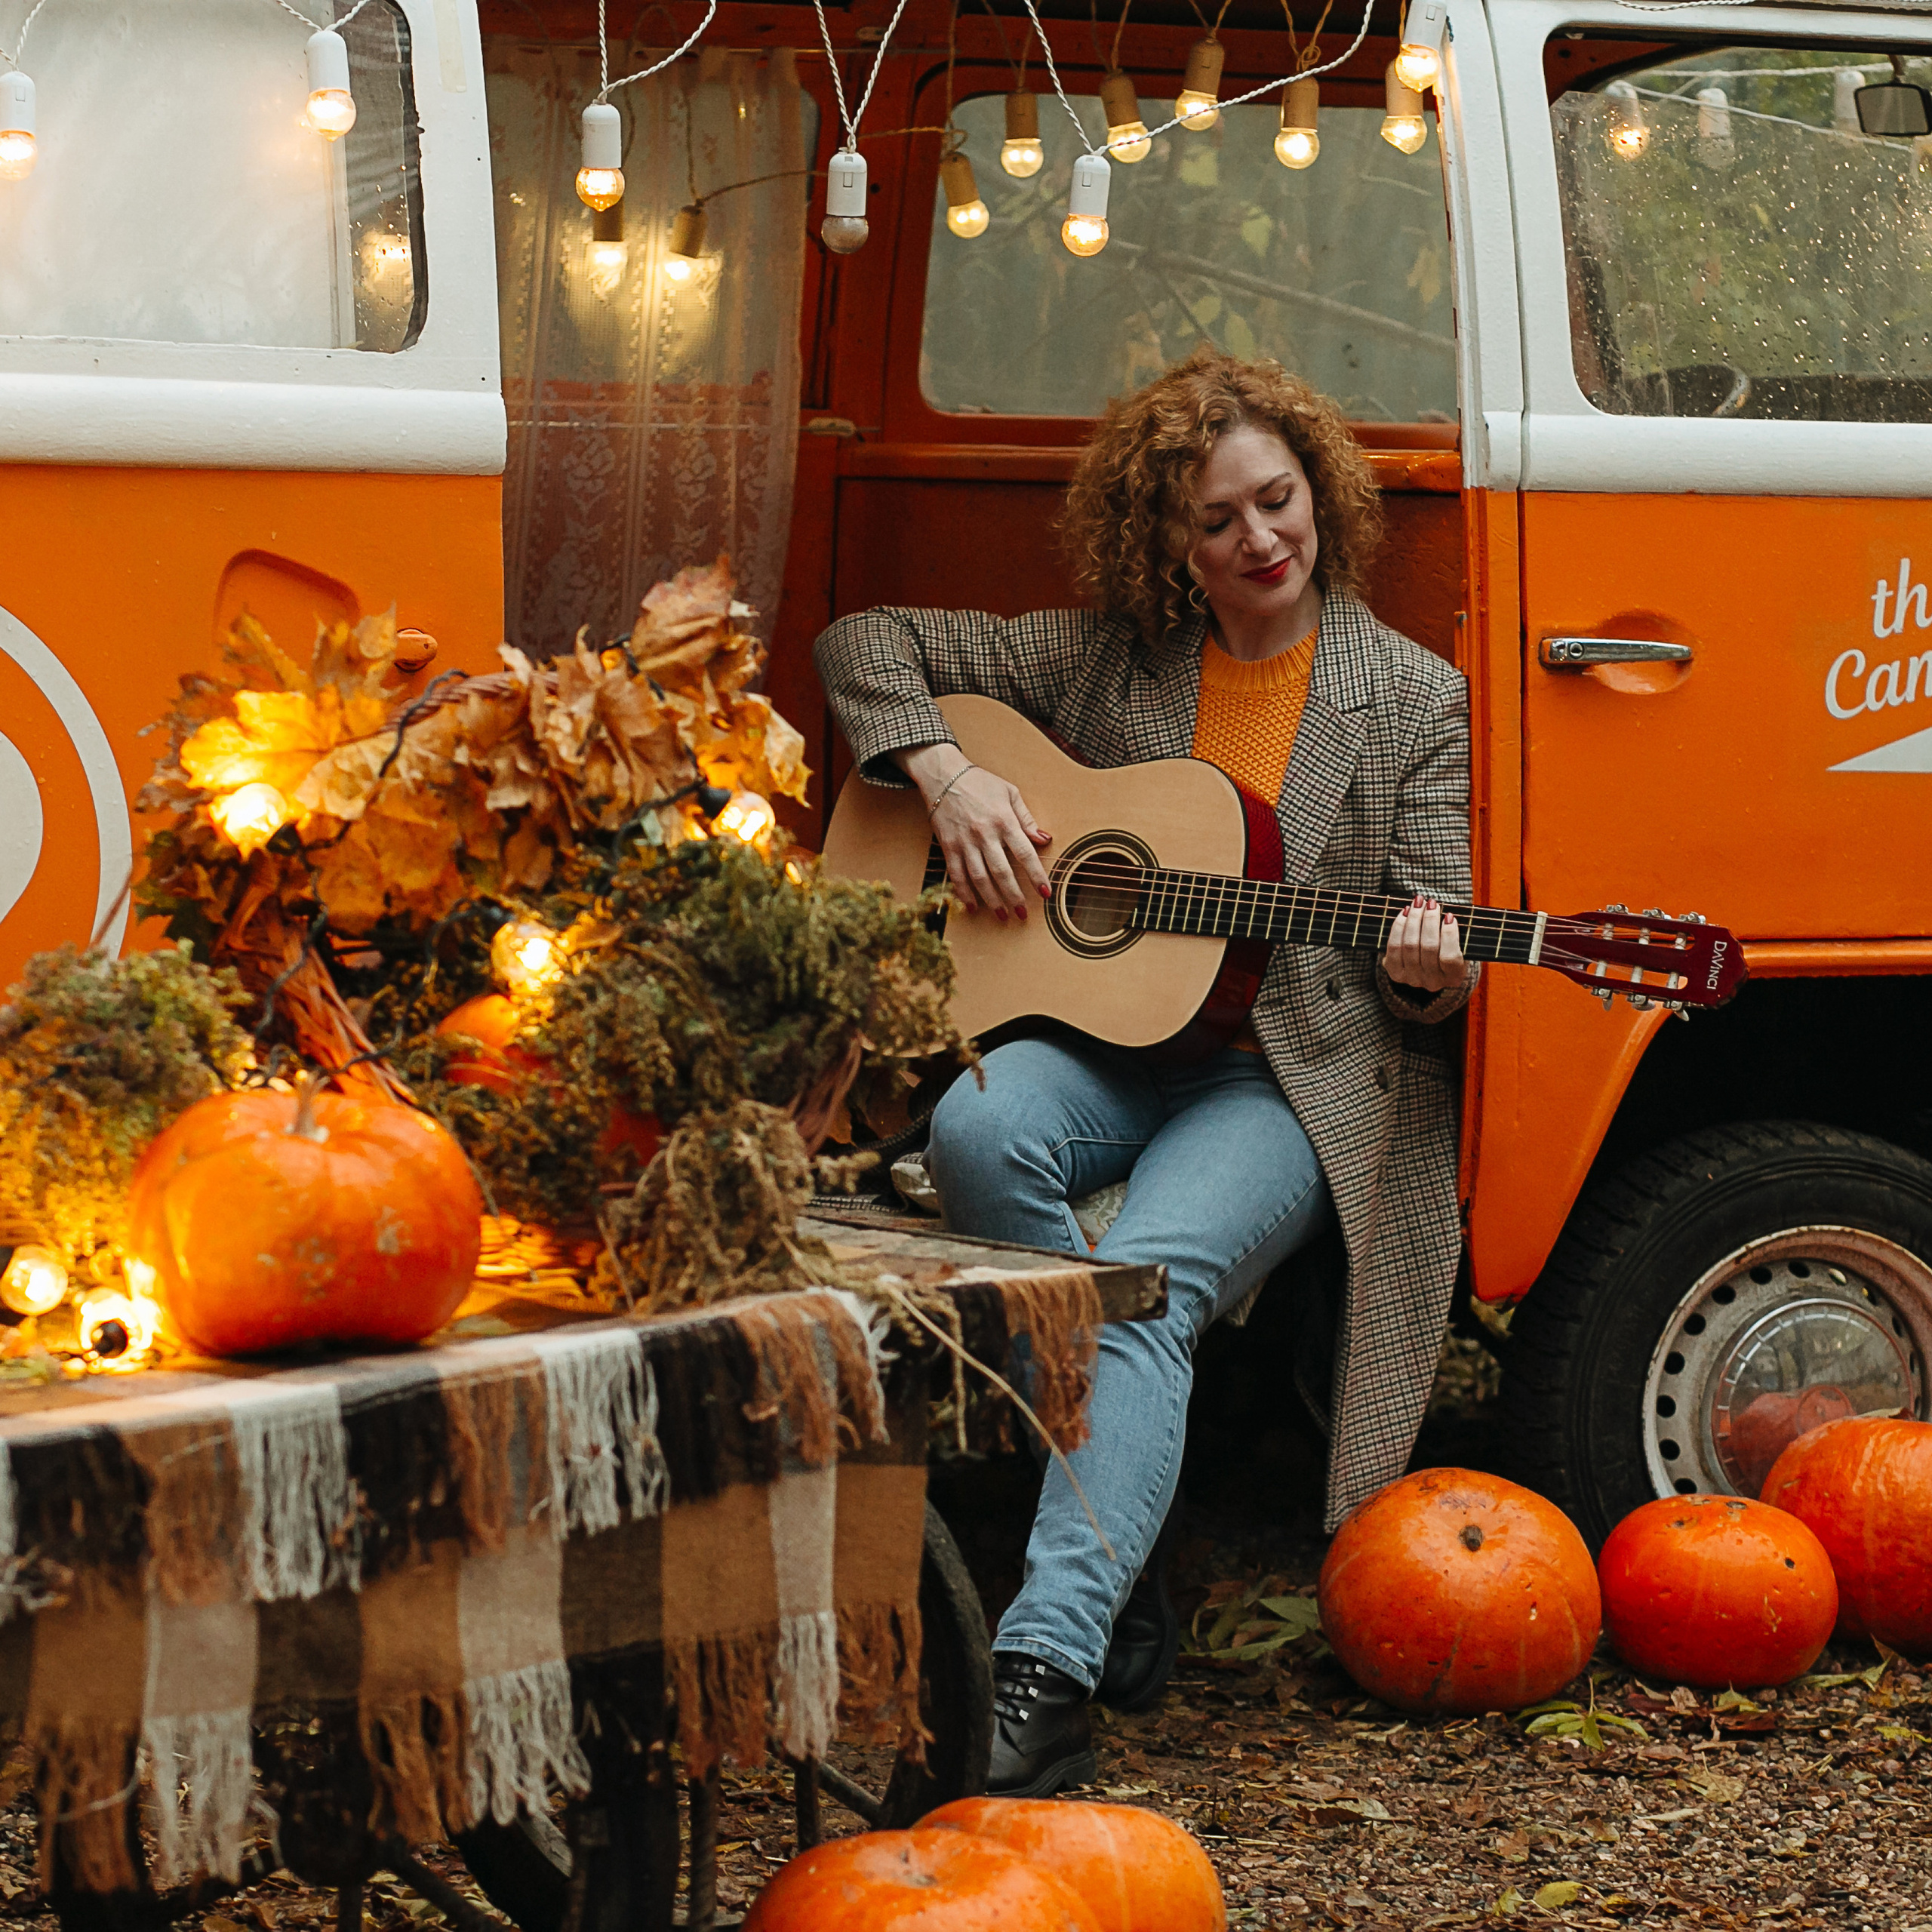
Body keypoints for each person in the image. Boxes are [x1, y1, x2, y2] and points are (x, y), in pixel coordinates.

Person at [814, 345, 1475, 1797]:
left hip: (1285, 1078)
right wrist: (946, 774)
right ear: (1169, 543)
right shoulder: (1112, 657)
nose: (1260, 541)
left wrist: (1430, 972)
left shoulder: (1412, 698)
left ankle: (1041, 1672)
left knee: (1145, 1288)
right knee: (979, 1133)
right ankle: (1127, 1516)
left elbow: (1435, 963)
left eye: (1277, 500)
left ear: (1321, 491)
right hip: (1110, 1048)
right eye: (1216, 520)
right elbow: (864, 639)